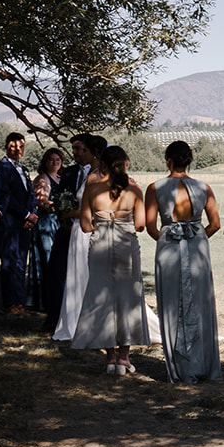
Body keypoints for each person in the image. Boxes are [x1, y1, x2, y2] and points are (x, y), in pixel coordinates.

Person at [145, 140, 222, 383]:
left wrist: (169, 239)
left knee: (171, 303)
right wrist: (196, 237)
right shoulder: (204, 187)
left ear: (168, 160)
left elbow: (150, 227)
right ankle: (203, 365)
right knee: (200, 303)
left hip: (168, 249)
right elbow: (215, 224)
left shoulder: (154, 187)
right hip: (198, 247)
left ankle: (180, 366)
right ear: (189, 161)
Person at [72, 145, 152, 374]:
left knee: (102, 297)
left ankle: (110, 357)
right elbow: (140, 225)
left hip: (100, 246)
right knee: (128, 297)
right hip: (127, 247)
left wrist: (103, 223)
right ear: (125, 164)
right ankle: (125, 358)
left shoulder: (92, 189)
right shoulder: (135, 190)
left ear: (103, 165)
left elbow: (86, 226)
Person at [52, 134, 106, 340]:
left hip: (86, 229)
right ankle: (77, 317)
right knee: (78, 274)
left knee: (87, 272)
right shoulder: (89, 174)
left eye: (85, 149)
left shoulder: (98, 176)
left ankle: (87, 321)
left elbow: (96, 208)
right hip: (77, 230)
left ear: (93, 153)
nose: (79, 153)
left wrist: (70, 213)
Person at [0, 132, 38, 315]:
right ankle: (9, 302)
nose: (17, 150)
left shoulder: (24, 169)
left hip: (25, 225)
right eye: (13, 146)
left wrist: (33, 214)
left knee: (21, 263)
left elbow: (30, 195)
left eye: (21, 147)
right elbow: (8, 197)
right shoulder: (1, 167)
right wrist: (26, 214)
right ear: (6, 147)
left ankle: (19, 302)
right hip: (10, 223)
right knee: (9, 264)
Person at [28, 147, 64, 312]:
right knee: (47, 259)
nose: (55, 163)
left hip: (57, 222)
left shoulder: (59, 178)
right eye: (51, 160)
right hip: (46, 223)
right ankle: (45, 300)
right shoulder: (43, 179)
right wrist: (62, 206)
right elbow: (40, 201)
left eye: (58, 160)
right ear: (45, 161)